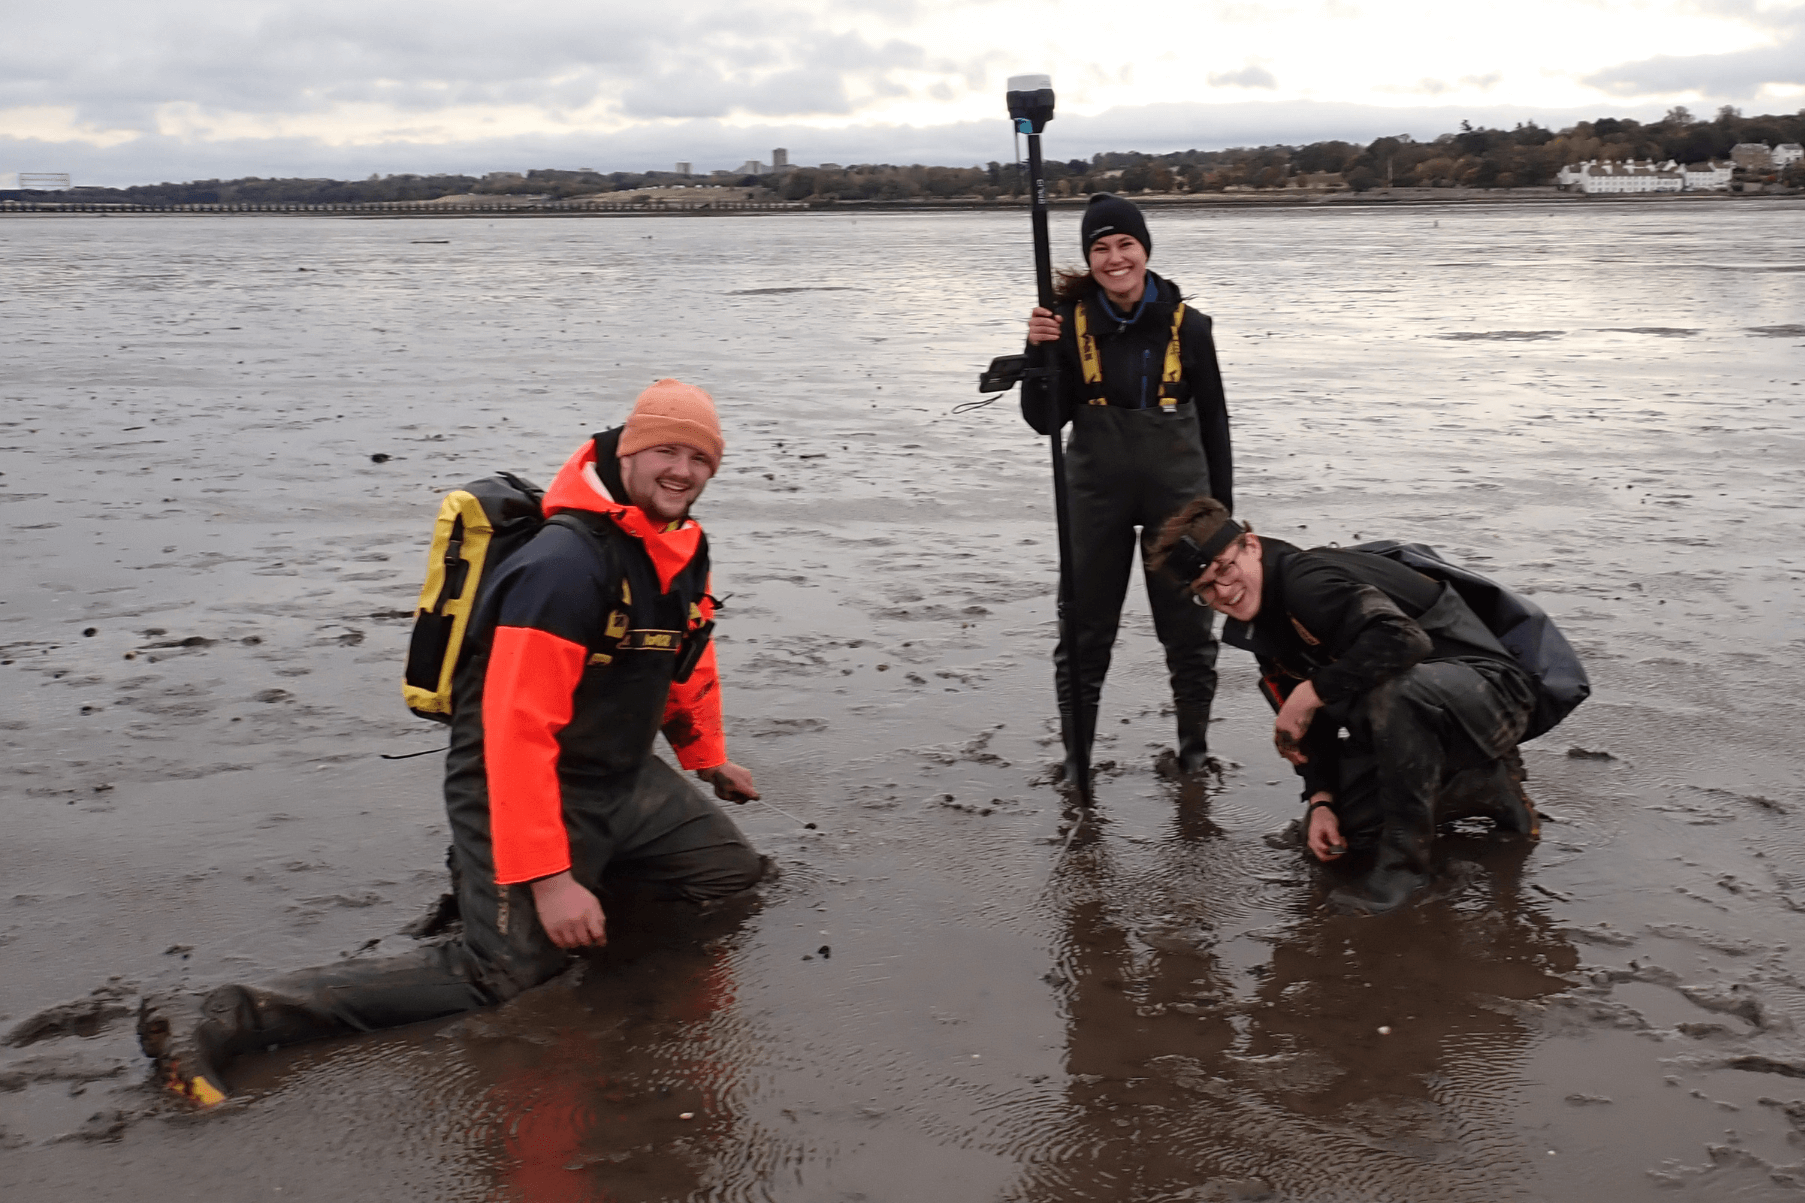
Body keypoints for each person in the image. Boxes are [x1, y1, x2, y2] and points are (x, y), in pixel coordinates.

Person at [140, 379, 768, 1102]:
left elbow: (686, 655)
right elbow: (513, 731)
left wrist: (704, 757)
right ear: (627, 452)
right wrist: (553, 881)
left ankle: (511, 891)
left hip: (621, 776)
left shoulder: (679, 544)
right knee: (500, 976)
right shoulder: (563, 566)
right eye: (666, 450)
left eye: (699, 457)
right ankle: (228, 1011)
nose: (682, 471)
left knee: (727, 875)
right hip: (514, 778)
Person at [1149, 498, 1539, 914]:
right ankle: (1480, 785)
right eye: (1206, 589)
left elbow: (1404, 641)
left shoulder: (1307, 581)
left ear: (1252, 545)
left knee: (1398, 691)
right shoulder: (1260, 622)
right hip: (1424, 720)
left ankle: (1406, 873)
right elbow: (1309, 728)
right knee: (1347, 833)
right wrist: (1320, 801)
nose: (1223, 592)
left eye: (1225, 568)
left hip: (1496, 697)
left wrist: (1310, 691)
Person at [1021, 193, 1233, 784]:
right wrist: (1035, 352)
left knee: (1189, 632)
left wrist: (1224, 525)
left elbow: (1215, 424)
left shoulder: (1191, 327)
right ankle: (1077, 759)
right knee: (1083, 630)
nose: (1115, 259)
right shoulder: (1065, 325)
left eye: (1125, 245)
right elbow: (1044, 420)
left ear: (1145, 250)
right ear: (1089, 259)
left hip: (1181, 496)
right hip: (1095, 494)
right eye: (1100, 248)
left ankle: (1193, 754)